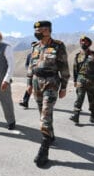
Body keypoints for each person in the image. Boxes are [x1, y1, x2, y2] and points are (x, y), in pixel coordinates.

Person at [27, 21, 70, 167]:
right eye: (36, 29)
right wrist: (28, 83)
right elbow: (31, 65)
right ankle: (50, 136)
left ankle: (43, 151)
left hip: (51, 82)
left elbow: (64, 66)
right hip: (36, 82)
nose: (36, 32)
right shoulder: (35, 46)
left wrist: (64, 86)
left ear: (47, 30)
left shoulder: (58, 45)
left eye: (39, 30)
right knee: (43, 113)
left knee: (45, 114)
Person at [70, 36, 94, 124]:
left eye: (85, 42)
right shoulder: (77, 56)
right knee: (79, 97)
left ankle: (93, 115)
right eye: (81, 42)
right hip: (80, 80)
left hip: (92, 81)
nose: (83, 43)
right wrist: (74, 80)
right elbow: (75, 69)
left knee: (92, 99)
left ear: (89, 43)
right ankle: (76, 115)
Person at [19, 41, 37, 109]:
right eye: (32, 46)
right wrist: (28, 69)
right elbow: (26, 64)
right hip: (30, 75)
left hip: (39, 76)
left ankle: (45, 103)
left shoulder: (41, 54)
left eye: (34, 46)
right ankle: (25, 102)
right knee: (28, 88)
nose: (33, 47)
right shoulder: (29, 55)